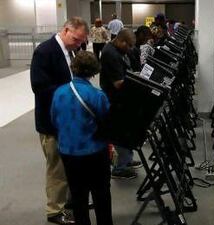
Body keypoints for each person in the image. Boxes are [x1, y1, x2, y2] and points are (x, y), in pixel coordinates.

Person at [30, 17, 89, 225]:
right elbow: (39, 87)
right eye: (76, 39)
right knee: (57, 169)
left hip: (68, 122)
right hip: (51, 122)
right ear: (65, 30)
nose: (78, 44)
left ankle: (69, 202)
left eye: (82, 41)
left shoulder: (70, 50)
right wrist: (70, 93)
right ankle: (54, 210)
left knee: (69, 166)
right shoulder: (44, 52)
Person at [51, 51, 113, 225]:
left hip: (68, 151)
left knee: (78, 195)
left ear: (74, 67)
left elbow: (54, 120)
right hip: (94, 151)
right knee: (101, 193)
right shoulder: (97, 95)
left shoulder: (58, 93)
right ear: (94, 71)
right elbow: (107, 122)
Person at [100, 28, 142, 179]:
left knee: (126, 131)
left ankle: (126, 160)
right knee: (120, 132)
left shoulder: (119, 51)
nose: (130, 49)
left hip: (122, 98)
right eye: (128, 45)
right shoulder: (110, 54)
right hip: (114, 98)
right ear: (120, 41)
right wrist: (138, 81)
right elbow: (118, 83)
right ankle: (120, 167)